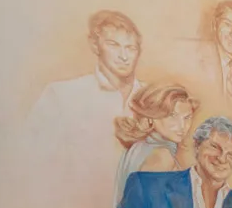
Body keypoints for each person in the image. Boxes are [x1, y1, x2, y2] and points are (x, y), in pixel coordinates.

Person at [24, 9, 144, 159]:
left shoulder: (156, 99)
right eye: (113, 45)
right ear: (95, 45)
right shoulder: (61, 95)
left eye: (130, 48)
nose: (124, 56)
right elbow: (31, 158)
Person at [112, 84, 198, 202]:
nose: (182, 126)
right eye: (172, 116)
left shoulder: (138, 147)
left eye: (187, 117)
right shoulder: (162, 156)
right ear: (151, 116)